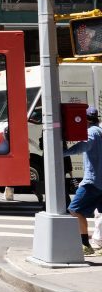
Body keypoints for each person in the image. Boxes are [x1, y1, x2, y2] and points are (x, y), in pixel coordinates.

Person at [64, 106, 102, 256]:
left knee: (74, 209)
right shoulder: (99, 131)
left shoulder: (92, 132)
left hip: (93, 181)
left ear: (85, 120)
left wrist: (63, 152)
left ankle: (85, 244)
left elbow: (84, 145)